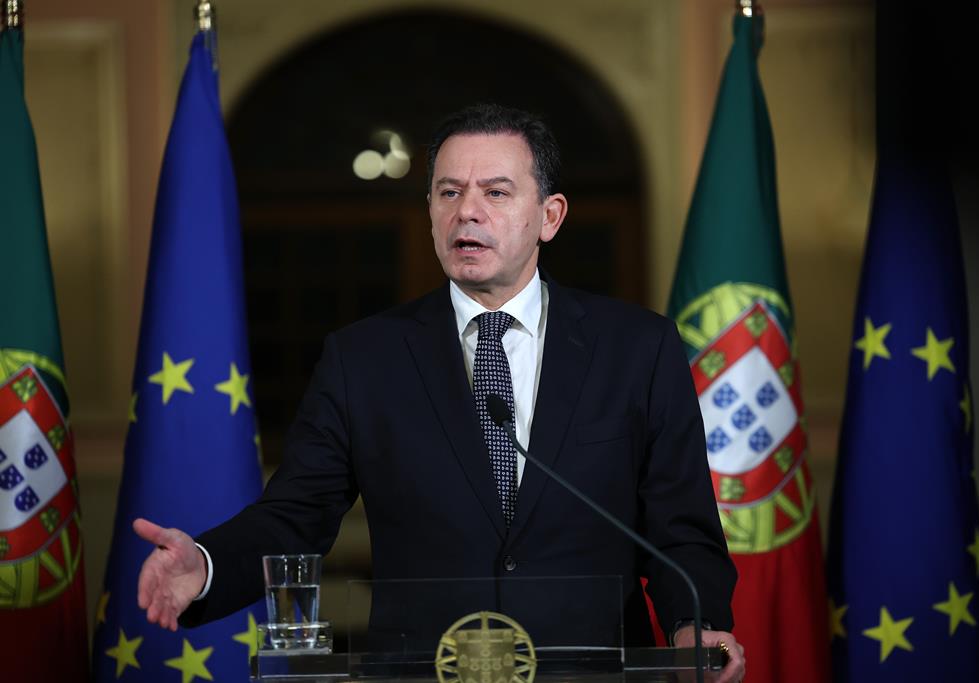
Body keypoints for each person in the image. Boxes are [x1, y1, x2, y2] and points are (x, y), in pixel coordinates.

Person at [134, 103, 745, 681]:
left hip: (592, 672)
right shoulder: (363, 359)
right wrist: (207, 566)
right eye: (449, 192)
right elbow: (296, 515)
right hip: (423, 670)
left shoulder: (637, 349)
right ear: (430, 210)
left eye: (495, 193)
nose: (467, 212)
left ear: (550, 216)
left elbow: (680, 526)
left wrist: (695, 625)